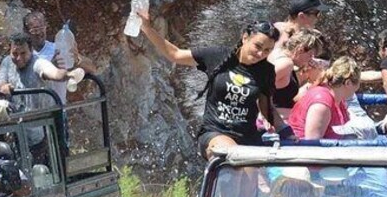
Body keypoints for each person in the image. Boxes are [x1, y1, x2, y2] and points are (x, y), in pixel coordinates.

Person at [138, 14, 295, 158]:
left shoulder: (266, 70)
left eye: (267, 50)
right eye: (258, 46)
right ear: (245, 37)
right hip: (215, 134)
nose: (261, 54)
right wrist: (147, 28)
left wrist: (286, 132)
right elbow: (175, 54)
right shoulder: (217, 55)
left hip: (248, 138)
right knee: (233, 156)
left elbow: (267, 109)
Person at [0, 32, 84, 111]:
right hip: (17, 122)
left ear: (31, 51)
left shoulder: (38, 63)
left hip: (41, 121)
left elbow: (56, 74)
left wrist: (68, 74)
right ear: (10, 51)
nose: (19, 58)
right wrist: (3, 87)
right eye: (15, 54)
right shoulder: (7, 62)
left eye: (23, 53)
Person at [24, 11, 96, 103]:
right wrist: (53, 67)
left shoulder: (57, 48)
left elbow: (92, 68)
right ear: (26, 32)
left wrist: (77, 59)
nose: (39, 33)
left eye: (42, 28)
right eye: (35, 30)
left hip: (57, 109)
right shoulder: (22, 54)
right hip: (32, 111)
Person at [288, 56, 360, 139]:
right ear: (348, 83)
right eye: (358, 83)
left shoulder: (339, 100)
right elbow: (312, 143)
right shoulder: (322, 103)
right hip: (299, 150)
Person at [268, 28, 330, 121]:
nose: (310, 60)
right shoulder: (286, 64)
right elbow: (259, 89)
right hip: (277, 121)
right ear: (300, 49)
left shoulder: (277, 52)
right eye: (310, 55)